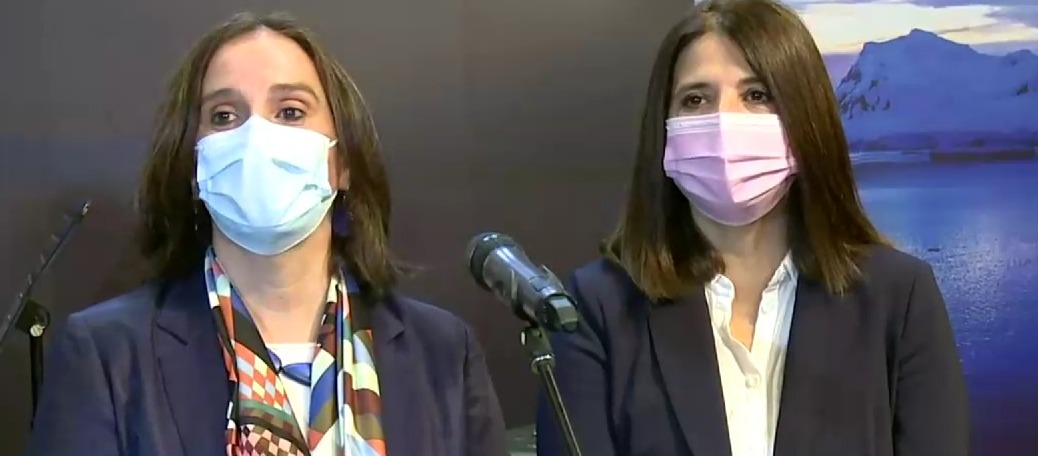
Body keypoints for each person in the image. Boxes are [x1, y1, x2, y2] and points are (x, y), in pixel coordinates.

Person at [25, 12, 508, 456]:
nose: (255, 137)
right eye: (224, 116)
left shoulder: (443, 352)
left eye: (291, 111)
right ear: (194, 166)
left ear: (342, 162)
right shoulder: (106, 355)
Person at [535, 0, 969, 455]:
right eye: (695, 99)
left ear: (806, 118)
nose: (725, 121)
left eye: (757, 95)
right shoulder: (596, 308)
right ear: (663, 129)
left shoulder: (898, 297)